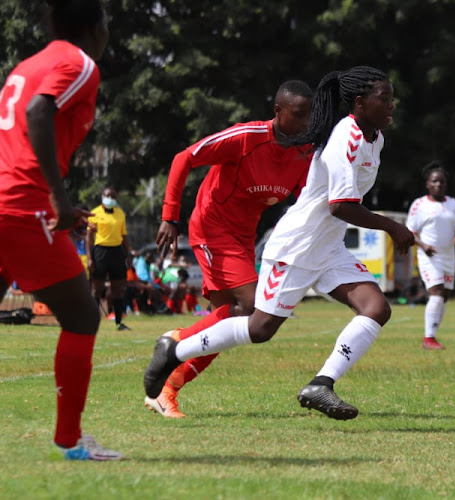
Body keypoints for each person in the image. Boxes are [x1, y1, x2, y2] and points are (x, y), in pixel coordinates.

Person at [144, 65, 414, 421]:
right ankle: (176, 349)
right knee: (256, 324)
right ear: (360, 102)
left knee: (376, 308)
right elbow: (340, 205)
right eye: (386, 99)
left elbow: (317, 195)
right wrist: (391, 227)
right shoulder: (340, 138)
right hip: (274, 242)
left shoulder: (369, 139)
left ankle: (321, 384)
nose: (392, 105)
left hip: (321, 245)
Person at [144, 80, 313, 418]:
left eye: (310, 116)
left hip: (243, 238)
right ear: (278, 112)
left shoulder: (303, 153)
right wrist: (169, 217)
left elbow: (304, 203)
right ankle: (175, 340)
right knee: (251, 308)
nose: (306, 123)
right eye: (298, 115)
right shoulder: (246, 137)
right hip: (211, 227)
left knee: (225, 326)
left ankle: (166, 390)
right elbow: (184, 158)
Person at [0, 0, 121, 460]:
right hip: (22, 205)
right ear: (95, 25)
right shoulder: (79, 62)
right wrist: (59, 198)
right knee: (83, 317)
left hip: (7, 200)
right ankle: (70, 442)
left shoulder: (28, 63)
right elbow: (37, 113)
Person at [406, 162, 455, 350]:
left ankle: (433, 335)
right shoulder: (419, 204)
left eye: (441, 181)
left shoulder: (453, 204)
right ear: (427, 184)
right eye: (434, 181)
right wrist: (423, 245)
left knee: (444, 296)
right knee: (437, 292)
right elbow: (410, 232)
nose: (438, 184)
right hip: (429, 256)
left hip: (449, 256)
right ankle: (428, 339)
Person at [88, 187, 131, 330]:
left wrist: (128, 254)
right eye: (108, 196)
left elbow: (124, 236)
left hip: (117, 252)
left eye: (113, 196)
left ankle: (119, 322)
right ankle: (92, 322)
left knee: (117, 289)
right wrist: (90, 258)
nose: (110, 198)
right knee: (97, 289)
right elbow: (88, 238)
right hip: (100, 251)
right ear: (102, 196)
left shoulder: (120, 214)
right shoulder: (94, 213)